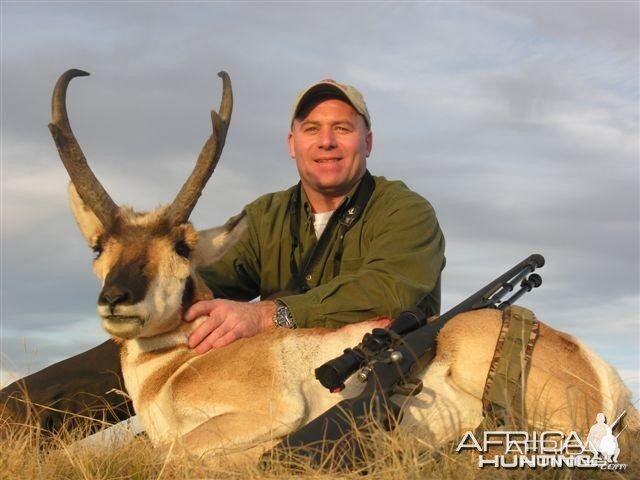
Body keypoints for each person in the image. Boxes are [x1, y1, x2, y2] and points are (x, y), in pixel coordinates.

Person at [0, 78, 445, 436]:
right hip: (271, 374)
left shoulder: (404, 211)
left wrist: (268, 315)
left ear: (368, 142)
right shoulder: (266, 216)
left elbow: (393, 289)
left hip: (373, 373)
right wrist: (150, 283)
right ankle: (13, 423)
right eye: (312, 129)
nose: (326, 141)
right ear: (292, 143)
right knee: (150, 337)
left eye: (342, 128)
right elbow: (197, 290)